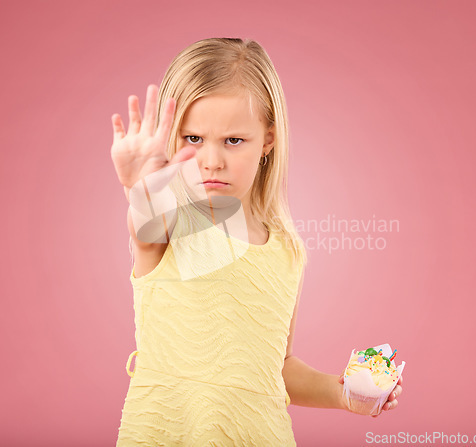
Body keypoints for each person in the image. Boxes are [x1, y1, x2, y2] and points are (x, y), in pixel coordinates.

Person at [110, 37, 403, 446]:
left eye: (233, 140)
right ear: (172, 138)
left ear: (267, 140)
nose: (211, 160)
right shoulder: (172, 222)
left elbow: (277, 368)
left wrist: (342, 394)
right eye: (193, 139)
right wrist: (139, 189)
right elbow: (145, 220)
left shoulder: (287, 249)